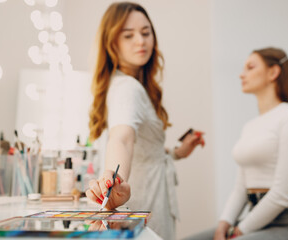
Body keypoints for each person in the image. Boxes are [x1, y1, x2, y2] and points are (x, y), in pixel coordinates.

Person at [85, 2, 205, 240]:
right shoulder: (128, 88)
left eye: (146, 32)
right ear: (112, 43)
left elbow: (142, 148)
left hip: (150, 194)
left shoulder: (132, 84)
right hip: (144, 198)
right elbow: (122, 137)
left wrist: (177, 153)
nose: (140, 41)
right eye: (128, 35)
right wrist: (113, 176)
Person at [185, 47, 288, 240]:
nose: (242, 74)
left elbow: (282, 195)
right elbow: (241, 187)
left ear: (273, 72)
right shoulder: (250, 126)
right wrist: (223, 226)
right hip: (256, 218)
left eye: (250, 67)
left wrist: (240, 231)